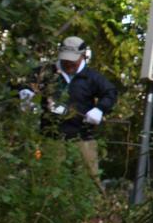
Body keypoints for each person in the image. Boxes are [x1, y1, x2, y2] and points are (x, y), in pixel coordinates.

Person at [18, 36, 117, 193]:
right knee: (49, 180)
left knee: (89, 181)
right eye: (66, 59)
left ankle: (94, 214)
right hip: (52, 137)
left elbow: (110, 93)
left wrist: (100, 109)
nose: (69, 64)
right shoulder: (47, 72)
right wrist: (25, 92)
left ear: (83, 55)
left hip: (83, 136)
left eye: (73, 60)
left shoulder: (92, 77)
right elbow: (24, 82)